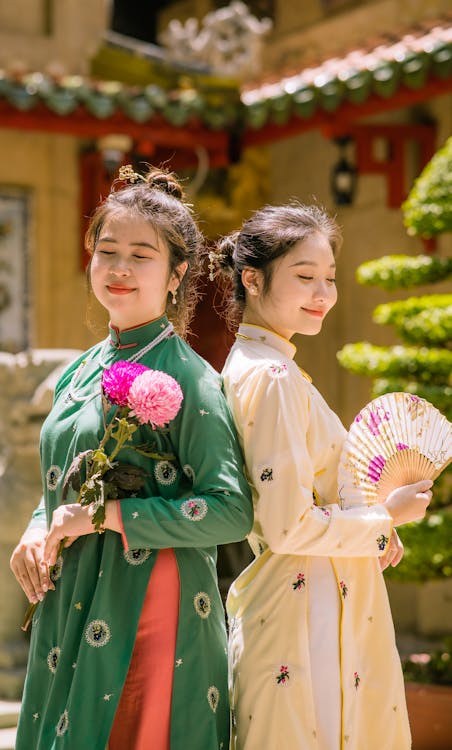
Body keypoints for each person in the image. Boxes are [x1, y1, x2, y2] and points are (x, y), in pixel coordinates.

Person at [10, 166, 253, 750]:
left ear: (176, 275)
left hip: (149, 602)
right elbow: (63, 477)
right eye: (107, 250)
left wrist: (109, 517)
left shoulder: (190, 380)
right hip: (71, 597)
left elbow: (230, 510)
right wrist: (39, 524)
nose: (118, 268)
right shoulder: (81, 368)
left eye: (141, 255)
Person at [210, 203, 433, 750]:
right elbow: (288, 525)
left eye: (329, 278)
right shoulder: (273, 375)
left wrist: (372, 528)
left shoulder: (257, 365)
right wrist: (385, 515)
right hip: (304, 609)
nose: (323, 294)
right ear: (252, 279)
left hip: (308, 596)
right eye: (305, 277)